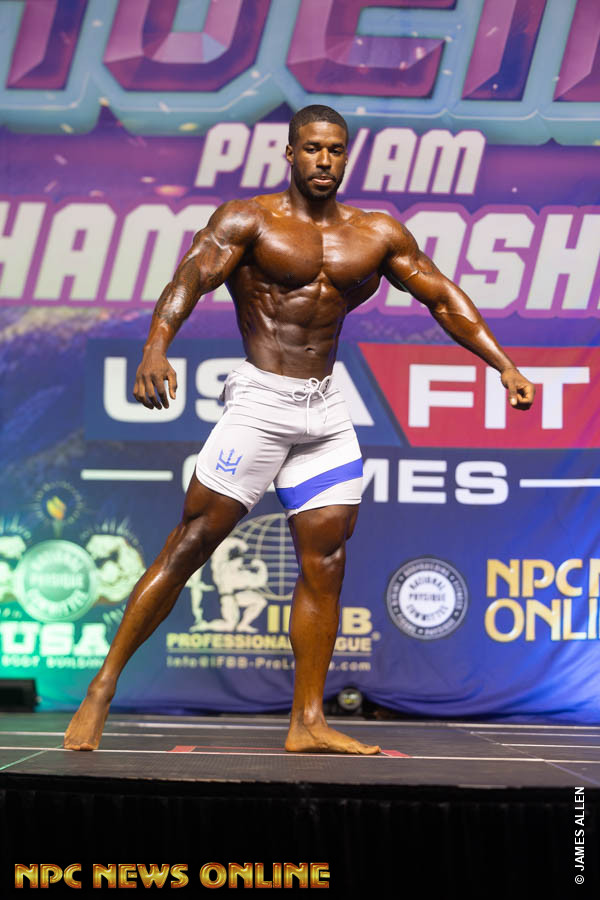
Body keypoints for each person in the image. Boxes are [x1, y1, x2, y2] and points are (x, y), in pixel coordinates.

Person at [64, 105, 535, 754]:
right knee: (192, 543)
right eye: (312, 147)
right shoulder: (249, 220)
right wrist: (156, 346)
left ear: (346, 157)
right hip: (260, 402)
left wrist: (503, 364)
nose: (323, 160)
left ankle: (307, 720)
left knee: (327, 559)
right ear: (290, 153)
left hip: (325, 409)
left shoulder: (376, 233)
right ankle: (101, 688)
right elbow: (190, 277)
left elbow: (442, 296)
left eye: (335, 150)